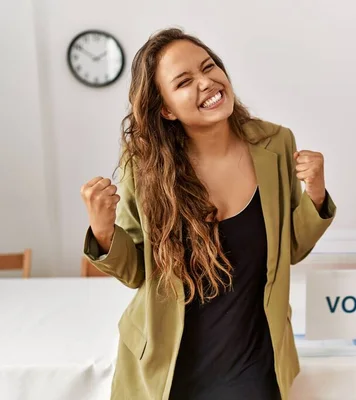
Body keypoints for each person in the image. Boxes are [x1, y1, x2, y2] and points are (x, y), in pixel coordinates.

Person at [80, 28, 336, 400]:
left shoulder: (276, 144)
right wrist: (103, 232)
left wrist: (315, 193)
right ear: (165, 108)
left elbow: (290, 250)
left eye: (209, 66)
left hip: (252, 362)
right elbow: (138, 272)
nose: (207, 81)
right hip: (167, 365)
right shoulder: (146, 166)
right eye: (184, 81)